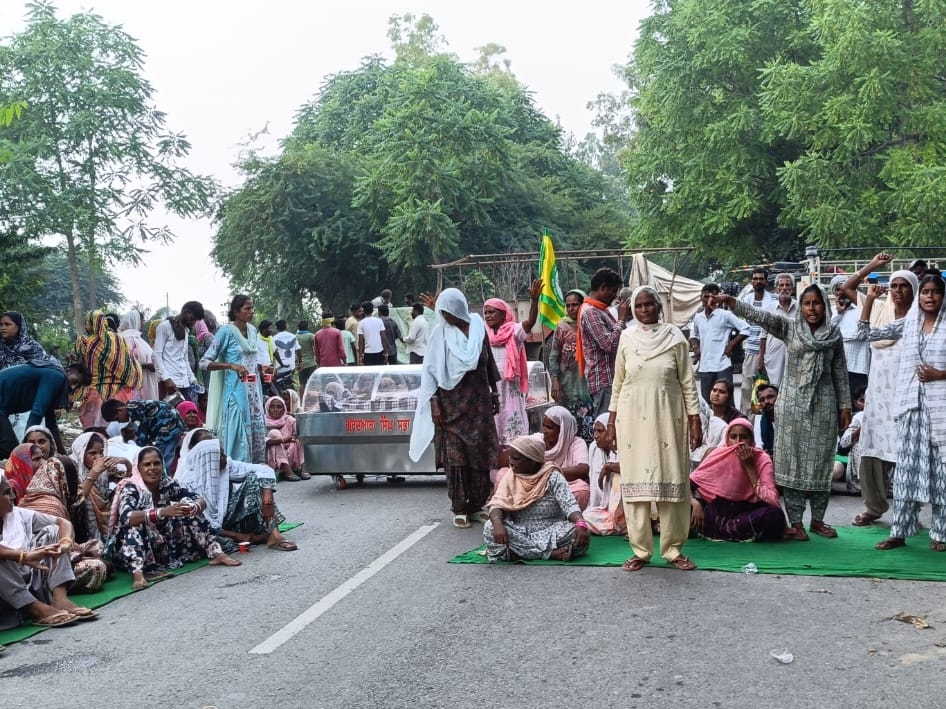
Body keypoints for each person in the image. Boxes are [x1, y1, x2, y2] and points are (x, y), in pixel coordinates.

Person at [715, 284, 851, 541]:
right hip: (792, 406)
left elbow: (840, 372)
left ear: (825, 305)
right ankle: (797, 523)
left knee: (821, 463)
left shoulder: (833, 333)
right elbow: (763, 317)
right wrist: (734, 302)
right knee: (793, 462)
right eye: (807, 303)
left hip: (824, 406)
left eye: (817, 303)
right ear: (802, 306)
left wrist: (845, 406)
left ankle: (818, 521)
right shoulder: (791, 327)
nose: (812, 308)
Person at [608, 286, 702, 572]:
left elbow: (687, 380)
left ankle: (673, 550)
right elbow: (618, 382)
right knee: (635, 484)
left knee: (671, 480)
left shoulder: (675, 337)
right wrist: (611, 421)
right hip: (632, 419)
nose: (645, 310)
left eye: (650, 305)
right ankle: (640, 550)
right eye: (640, 306)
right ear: (632, 309)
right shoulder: (626, 337)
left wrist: (694, 418)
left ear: (659, 307)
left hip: (668, 418)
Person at [858, 274, 946, 551]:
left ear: (943, 297)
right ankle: (900, 531)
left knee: (941, 471)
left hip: (940, 408)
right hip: (910, 406)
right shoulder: (909, 323)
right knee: (906, 471)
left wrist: (940, 373)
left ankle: (940, 532)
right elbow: (866, 334)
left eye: (935, 292)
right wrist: (869, 301)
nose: (929, 297)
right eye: (926, 293)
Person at [409, 289, 500, 528]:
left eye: (447, 311)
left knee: (479, 457)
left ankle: (476, 505)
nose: (444, 316)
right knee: (456, 460)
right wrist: (434, 402)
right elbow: (430, 371)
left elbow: (488, 361)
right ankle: (459, 507)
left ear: (458, 309)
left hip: (478, 405)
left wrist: (495, 391)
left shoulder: (478, 328)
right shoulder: (440, 334)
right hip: (450, 407)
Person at [840, 254, 918, 526]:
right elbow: (847, 288)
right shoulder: (878, 308)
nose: (898, 291)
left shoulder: (922, 317)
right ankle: (874, 507)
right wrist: (873, 267)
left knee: (906, 454)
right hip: (879, 392)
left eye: (904, 286)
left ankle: (909, 513)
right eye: (894, 285)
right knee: (872, 450)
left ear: (914, 290)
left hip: (908, 393)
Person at [105, 446, 241, 589]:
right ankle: (138, 574)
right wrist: (161, 512)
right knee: (134, 526)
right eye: (146, 464)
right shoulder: (131, 488)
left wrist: (192, 507)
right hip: (130, 546)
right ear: (138, 468)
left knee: (189, 511)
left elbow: (199, 500)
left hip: (161, 542)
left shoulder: (166, 483)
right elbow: (127, 517)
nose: (152, 468)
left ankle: (216, 553)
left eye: (156, 463)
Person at [0, 473, 99, 629]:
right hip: (4, 594)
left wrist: (65, 543)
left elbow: (62, 522)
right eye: (6, 493)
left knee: (52, 530)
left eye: (11, 490)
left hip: (28, 581)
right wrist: (22, 556)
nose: (13, 495)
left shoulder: (17, 514)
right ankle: (34, 608)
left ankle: (59, 597)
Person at [176, 432, 298, 551]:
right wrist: (238, 536)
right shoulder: (187, 481)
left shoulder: (226, 464)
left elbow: (263, 470)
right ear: (206, 455)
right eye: (219, 454)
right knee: (212, 540)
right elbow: (200, 522)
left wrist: (267, 500)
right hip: (207, 528)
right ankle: (249, 537)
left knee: (254, 479)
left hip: (226, 519)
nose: (225, 458)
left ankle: (274, 535)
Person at [483, 435, 589, 562]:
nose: (511, 462)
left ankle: (518, 553)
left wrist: (580, 523)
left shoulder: (552, 476)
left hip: (551, 529)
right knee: (490, 527)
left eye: (516, 459)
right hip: (518, 530)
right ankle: (550, 554)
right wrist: (498, 524)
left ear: (532, 460)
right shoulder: (511, 476)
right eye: (511, 457)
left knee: (581, 534)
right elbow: (497, 504)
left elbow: (569, 504)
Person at [19, 455, 109, 593]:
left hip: (53, 555)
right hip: (41, 566)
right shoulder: (52, 505)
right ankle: (58, 591)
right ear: (62, 478)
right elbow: (58, 550)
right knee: (96, 567)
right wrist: (81, 552)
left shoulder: (35, 497)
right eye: (72, 478)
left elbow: (77, 498)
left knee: (97, 545)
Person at [200, 294, 271, 464]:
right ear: (236, 312)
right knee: (238, 436)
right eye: (247, 309)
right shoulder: (226, 332)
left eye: (252, 308)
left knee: (256, 433)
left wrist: (262, 368)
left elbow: (251, 360)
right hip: (235, 394)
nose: (252, 312)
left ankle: (256, 474)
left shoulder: (253, 331)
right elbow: (204, 362)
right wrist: (231, 366)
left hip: (254, 392)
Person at [689, 418, 785, 541]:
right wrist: (695, 503)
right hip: (717, 510)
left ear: (751, 440)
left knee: (775, 515)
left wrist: (750, 467)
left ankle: (719, 531)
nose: (738, 442)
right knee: (684, 508)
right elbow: (688, 484)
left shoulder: (761, 459)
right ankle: (734, 532)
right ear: (727, 439)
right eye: (733, 437)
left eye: (743, 437)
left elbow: (772, 498)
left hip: (747, 510)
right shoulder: (718, 455)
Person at [484, 281, 541, 448]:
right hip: (491, 388)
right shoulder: (483, 334)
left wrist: (535, 301)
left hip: (510, 390)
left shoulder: (513, 331)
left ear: (503, 314)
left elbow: (530, 322)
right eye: (486, 313)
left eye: (491, 312)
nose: (487, 316)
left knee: (512, 431)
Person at [70, 309, 143, 428]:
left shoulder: (83, 342)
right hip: (118, 394)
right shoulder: (119, 340)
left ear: (88, 323)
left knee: (93, 430)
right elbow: (129, 365)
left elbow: (76, 366)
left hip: (93, 394)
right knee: (117, 429)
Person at [0, 361, 88, 459]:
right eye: (74, 381)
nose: (73, 387)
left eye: (78, 386)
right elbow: (37, 413)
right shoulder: (57, 376)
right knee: (15, 454)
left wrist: (65, 457)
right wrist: (27, 448)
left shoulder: (54, 384)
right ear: (68, 371)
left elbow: (52, 426)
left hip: (2, 411)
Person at [577, 268, 629, 418]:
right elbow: (609, 344)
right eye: (612, 291)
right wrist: (621, 320)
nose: (614, 296)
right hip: (604, 381)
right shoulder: (590, 312)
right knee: (605, 425)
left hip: (609, 380)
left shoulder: (600, 310)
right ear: (603, 288)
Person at [689, 283, 749, 404]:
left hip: (722, 365)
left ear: (718, 298)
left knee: (727, 402)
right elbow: (693, 335)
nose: (709, 300)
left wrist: (731, 345)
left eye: (713, 297)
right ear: (701, 297)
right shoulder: (698, 317)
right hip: (705, 366)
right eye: (706, 297)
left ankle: (730, 423)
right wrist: (696, 347)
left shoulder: (725, 315)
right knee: (707, 402)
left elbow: (746, 329)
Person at [548, 289, 594, 443]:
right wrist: (554, 382)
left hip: (587, 384)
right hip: (567, 385)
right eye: (568, 306)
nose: (571, 309)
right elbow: (554, 356)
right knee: (568, 426)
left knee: (589, 423)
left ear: (583, 305)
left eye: (575, 305)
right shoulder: (561, 326)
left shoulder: (590, 322)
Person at [71, 432, 134, 542]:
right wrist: (94, 473)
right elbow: (78, 498)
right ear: (81, 453)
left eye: (101, 452)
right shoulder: (73, 469)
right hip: (81, 520)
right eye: (92, 453)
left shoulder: (105, 468)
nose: (98, 457)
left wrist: (127, 463)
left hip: (105, 515)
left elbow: (127, 481)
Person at [101, 398, 186, 470]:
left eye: (117, 419)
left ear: (119, 411)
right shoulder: (135, 406)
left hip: (168, 429)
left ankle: (163, 480)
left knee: (163, 458)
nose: (119, 422)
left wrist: (136, 450)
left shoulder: (133, 412)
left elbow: (142, 436)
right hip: (170, 425)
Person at [739, 268, 777, 414]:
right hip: (751, 351)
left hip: (771, 352)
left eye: (761, 279)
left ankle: (772, 426)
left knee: (772, 389)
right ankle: (746, 426)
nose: (758, 281)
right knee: (747, 389)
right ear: (752, 282)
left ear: (766, 282)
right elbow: (741, 325)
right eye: (755, 279)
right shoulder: (746, 301)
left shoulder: (773, 299)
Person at [583, 414, 626, 536]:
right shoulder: (594, 448)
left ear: (612, 431)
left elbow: (631, 470)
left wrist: (609, 467)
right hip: (604, 507)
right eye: (594, 431)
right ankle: (615, 523)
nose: (595, 435)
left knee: (619, 477)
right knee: (585, 517)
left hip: (623, 506)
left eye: (600, 431)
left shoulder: (623, 446)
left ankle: (621, 521)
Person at [152, 301, 204, 401]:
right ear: (185, 312)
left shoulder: (186, 331)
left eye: (195, 321)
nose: (193, 323)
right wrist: (166, 379)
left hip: (185, 382)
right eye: (192, 318)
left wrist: (193, 379)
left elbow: (184, 358)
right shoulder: (165, 326)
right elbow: (156, 355)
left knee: (185, 414)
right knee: (169, 414)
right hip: (169, 383)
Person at [831, 274, 871, 396]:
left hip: (859, 368)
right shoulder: (831, 311)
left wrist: (842, 337)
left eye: (844, 288)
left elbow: (863, 334)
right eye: (838, 289)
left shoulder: (862, 308)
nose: (842, 292)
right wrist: (838, 313)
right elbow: (827, 334)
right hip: (837, 368)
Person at [761, 273, 797, 388]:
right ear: (776, 289)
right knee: (774, 387)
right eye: (781, 285)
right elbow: (763, 336)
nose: (784, 288)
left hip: (795, 356)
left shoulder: (800, 308)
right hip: (773, 356)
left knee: (792, 387)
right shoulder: (769, 309)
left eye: (788, 285)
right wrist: (760, 358)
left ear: (792, 288)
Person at [264, 395, 308, 481]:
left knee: (299, 438)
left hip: (291, 455)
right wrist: (283, 440)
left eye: (279, 407)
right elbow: (263, 442)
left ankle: (305, 469)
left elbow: (301, 431)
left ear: (284, 409)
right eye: (272, 407)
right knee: (274, 433)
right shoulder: (262, 421)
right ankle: (288, 472)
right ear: (267, 408)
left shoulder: (289, 419)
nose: (275, 410)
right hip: (273, 459)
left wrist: (295, 434)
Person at [118, 310, 159, 401]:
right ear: (136, 320)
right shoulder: (127, 339)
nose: (144, 323)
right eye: (143, 320)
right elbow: (124, 363)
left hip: (147, 379)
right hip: (137, 383)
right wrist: (146, 366)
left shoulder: (138, 339)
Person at [271, 319, 300, 394]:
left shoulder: (274, 338)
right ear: (286, 326)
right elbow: (298, 350)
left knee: (279, 386)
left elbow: (274, 352)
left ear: (277, 328)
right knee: (289, 383)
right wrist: (300, 363)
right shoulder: (293, 336)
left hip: (280, 367)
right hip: (291, 366)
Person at [357, 301, 388, 366]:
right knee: (379, 372)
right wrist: (386, 353)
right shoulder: (379, 321)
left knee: (369, 374)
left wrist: (360, 356)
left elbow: (360, 341)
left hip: (368, 353)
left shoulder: (361, 323)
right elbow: (383, 337)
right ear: (372, 310)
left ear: (363, 311)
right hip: (379, 351)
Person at [754, 384, 779, 457]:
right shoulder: (760, 423)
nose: (766, 401)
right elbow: (758, 447)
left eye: (770, 397)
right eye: (762, 400)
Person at [296, 320, 317, 397]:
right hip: (311, 363)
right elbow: (315, 348)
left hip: (301, 364)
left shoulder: (296, 337)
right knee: (313, 383)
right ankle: (313, 401)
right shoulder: (311, 336)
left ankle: (302, 401)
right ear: (307, 327)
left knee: (302, 384)